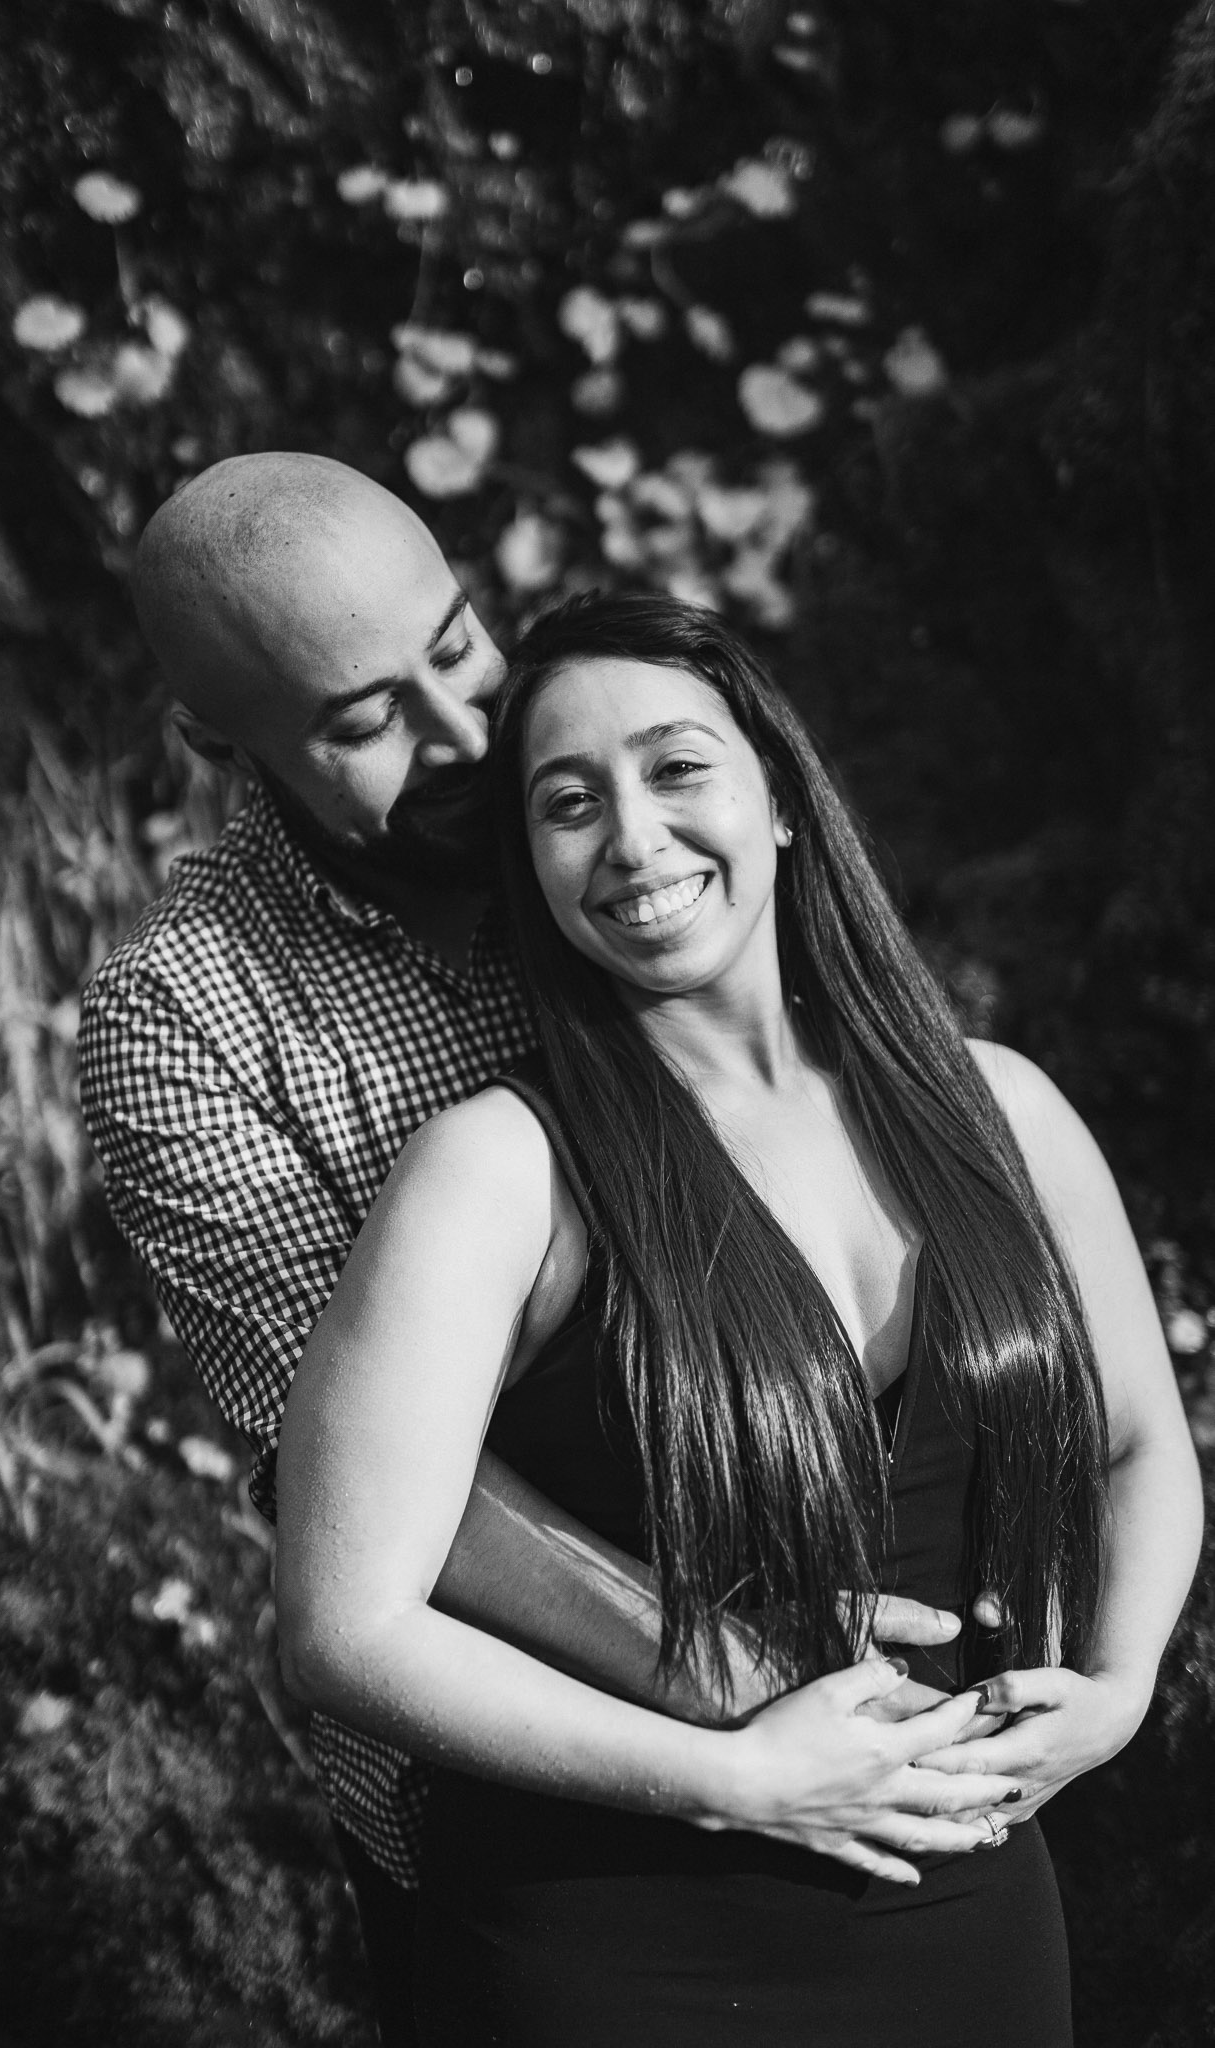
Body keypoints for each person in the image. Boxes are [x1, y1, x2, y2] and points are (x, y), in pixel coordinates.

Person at [79, 459, 976, 2045]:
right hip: (527, 1794)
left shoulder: (608, 821)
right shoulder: (187, 1016)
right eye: (365, 723)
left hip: (880, 1714)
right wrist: (746, 1684)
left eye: (457, 647)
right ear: (219, 748)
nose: (462, 735)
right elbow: (347, 1480)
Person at [274, 591, 1203, 2046]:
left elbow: (1141, 1446)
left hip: (966, 1904)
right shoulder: (500, 1171)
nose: (633, 837)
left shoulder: (1003, 1113)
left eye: (675, 768)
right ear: (530, 866)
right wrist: (731, 1778)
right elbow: (344, 1625)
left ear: (777, 795)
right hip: (610, 1945)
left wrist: (1119, 1686)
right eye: (568, 803)